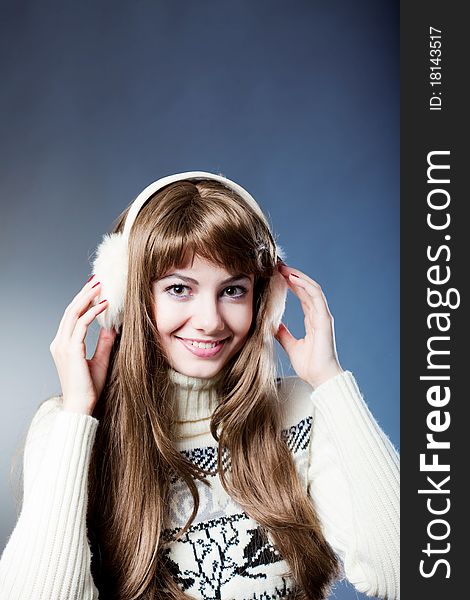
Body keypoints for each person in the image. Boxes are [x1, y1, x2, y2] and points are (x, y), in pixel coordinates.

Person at [0, 172, 399, 600]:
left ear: (263, 302)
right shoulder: (69, 429)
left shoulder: (304, 410)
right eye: (178, 288)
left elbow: (401, 570)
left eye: (232, 290)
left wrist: (330, 382)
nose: (209, 319)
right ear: (126, 298)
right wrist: (79, 413)